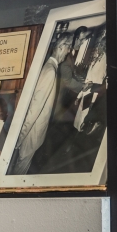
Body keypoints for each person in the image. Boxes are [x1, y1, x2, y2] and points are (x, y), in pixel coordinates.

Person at [8, 33, 74, 174]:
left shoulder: (50, 67)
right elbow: (35, 109)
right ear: (61, 47)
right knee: (19, 170)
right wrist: (20, 137)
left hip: (32, 131)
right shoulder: (50, 70)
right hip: (31, 132)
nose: (69, 51)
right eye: (68, 47)